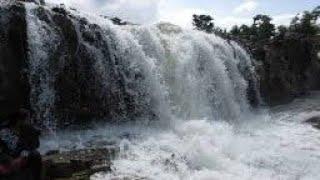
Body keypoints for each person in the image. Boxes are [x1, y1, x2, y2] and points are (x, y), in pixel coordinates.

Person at [0, 109, 42, 180]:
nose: (29, 121)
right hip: (7, 157)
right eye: (27, 119)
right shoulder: (4, 130)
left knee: (35, 155)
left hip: (23, 156)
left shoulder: (28, 129)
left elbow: (35, 146)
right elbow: (9, 148)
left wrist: (35, 135)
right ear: (19, 121)